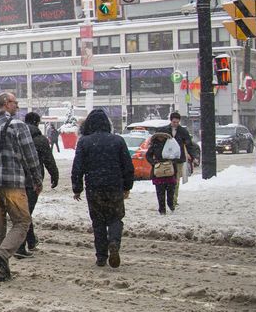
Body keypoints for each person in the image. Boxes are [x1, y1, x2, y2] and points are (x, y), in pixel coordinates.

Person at [0, 92, 41, 282]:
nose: (17, 106)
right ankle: (3, 254)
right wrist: (37, 178)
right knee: (22, 222)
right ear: (5, 104)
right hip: (13, 183)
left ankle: (2, 271)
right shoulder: (18, 126)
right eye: (15, 103)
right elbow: (30, 155)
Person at [71, 109, 135, 268]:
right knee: (115, 218)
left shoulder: (84, 142)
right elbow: (128, 166)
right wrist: (127, 186)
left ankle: (101, 256)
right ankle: (114, 241)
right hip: (114, 185)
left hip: (94, 187)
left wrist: (77, 187)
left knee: (98, 222)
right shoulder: (118, 141)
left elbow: (77, 167)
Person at [19, 112, 59, 256]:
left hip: (16, 180)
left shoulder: (17, 136)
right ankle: (20, 246)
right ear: (37, 123)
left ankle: (30, 241)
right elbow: (49, 160)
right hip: (32, 182)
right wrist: (55, 176)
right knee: (26, 214)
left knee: (23, 213)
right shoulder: (40, 140)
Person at [162, 112, 195, 207]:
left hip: (178, 159)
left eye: (177, 122)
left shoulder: (183, 131)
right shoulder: (164, 130)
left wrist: (191, 156)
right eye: (174, 122)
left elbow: (189, 144)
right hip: (167, 159)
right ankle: (168, 199)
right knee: (167, 180)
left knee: (175, 180)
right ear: (171, 121)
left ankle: (173, 200)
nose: (175, 123)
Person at [144, 131, 178, 214]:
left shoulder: (170, 144)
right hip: (158, 171)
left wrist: (172, 162)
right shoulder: (153, 146)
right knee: (160, 192)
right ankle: (162, 209)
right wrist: (154, 162)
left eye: (162, 136)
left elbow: (176, 154)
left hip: (169, 170)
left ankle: (170, 204)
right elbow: (148, 156)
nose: (161, 138)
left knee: (171, 192)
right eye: (159, 136)